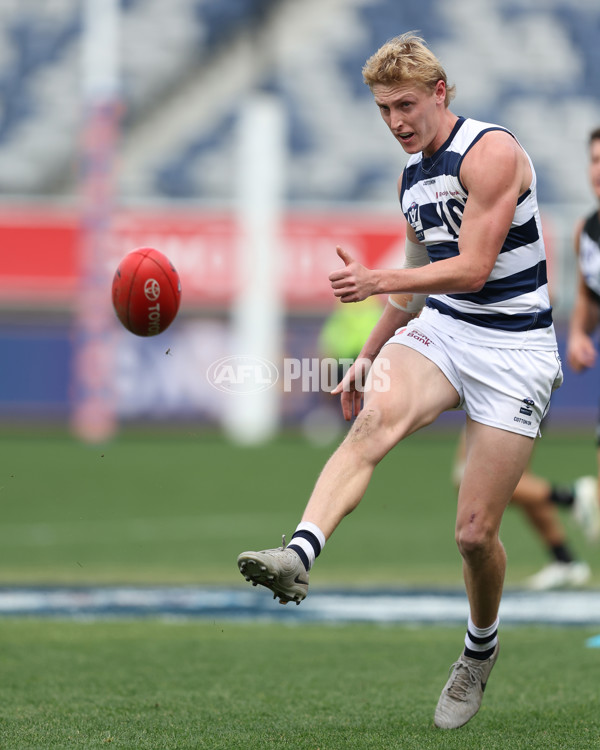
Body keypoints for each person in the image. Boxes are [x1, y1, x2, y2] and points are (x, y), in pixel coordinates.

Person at [237, 33, 564, 729]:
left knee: (475, 534)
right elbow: (421, 281)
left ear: (440, 93)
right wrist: (370, 352)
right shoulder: (411, 177)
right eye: (384, 109)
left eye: (406, 105)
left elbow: (473, 267)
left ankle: (479, 651)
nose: (396, 122)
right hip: (447, 330)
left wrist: (380, 278)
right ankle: (298, 553)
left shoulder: (493, 153)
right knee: (373, 421)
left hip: (515, 349)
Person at [452, 426, 598, 590]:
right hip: (512, 403)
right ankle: (564, 559)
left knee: (477, 476)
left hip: (506, 402)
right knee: (514, 477)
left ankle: (573, 498)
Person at [566, 126, 600, 525]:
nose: (598, 170)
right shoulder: (586, 233)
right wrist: (576, 334)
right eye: (594, 160)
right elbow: (589, 297)